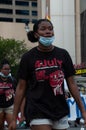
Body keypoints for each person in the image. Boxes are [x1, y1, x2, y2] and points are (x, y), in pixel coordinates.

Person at [9, 19, 86, 130]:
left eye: (50, 29)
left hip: (59, 109)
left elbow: (72, 84)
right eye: (43, 29)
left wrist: (83, 111)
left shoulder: (63, 54)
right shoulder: (28, 57)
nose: (48, 31)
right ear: (36, 34)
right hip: (37, 109)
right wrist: (14, 117)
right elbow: (21, 88)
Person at [0, 59, 17, 130]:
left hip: (9, 105)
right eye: (5, 69)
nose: (7, 71)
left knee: (12, 126)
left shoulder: (13, 80)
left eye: (8, 69)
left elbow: (17, 93)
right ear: (0, 69)